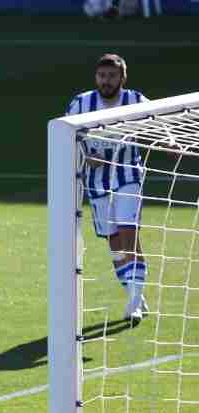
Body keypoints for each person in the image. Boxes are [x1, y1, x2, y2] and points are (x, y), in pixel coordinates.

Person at [65, 53, 150, 324]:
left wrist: (171, 143)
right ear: (96, 78)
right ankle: (134, 291)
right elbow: (67, 135)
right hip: (97, 182)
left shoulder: (136, 100)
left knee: (128, 233)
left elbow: (162, 119)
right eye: (102, 76)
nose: (107, 81)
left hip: (128, 176)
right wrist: (84, 156)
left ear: (123, 78)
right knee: (114, 242)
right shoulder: (82, 103)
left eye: (112, 76)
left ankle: (135, 303)